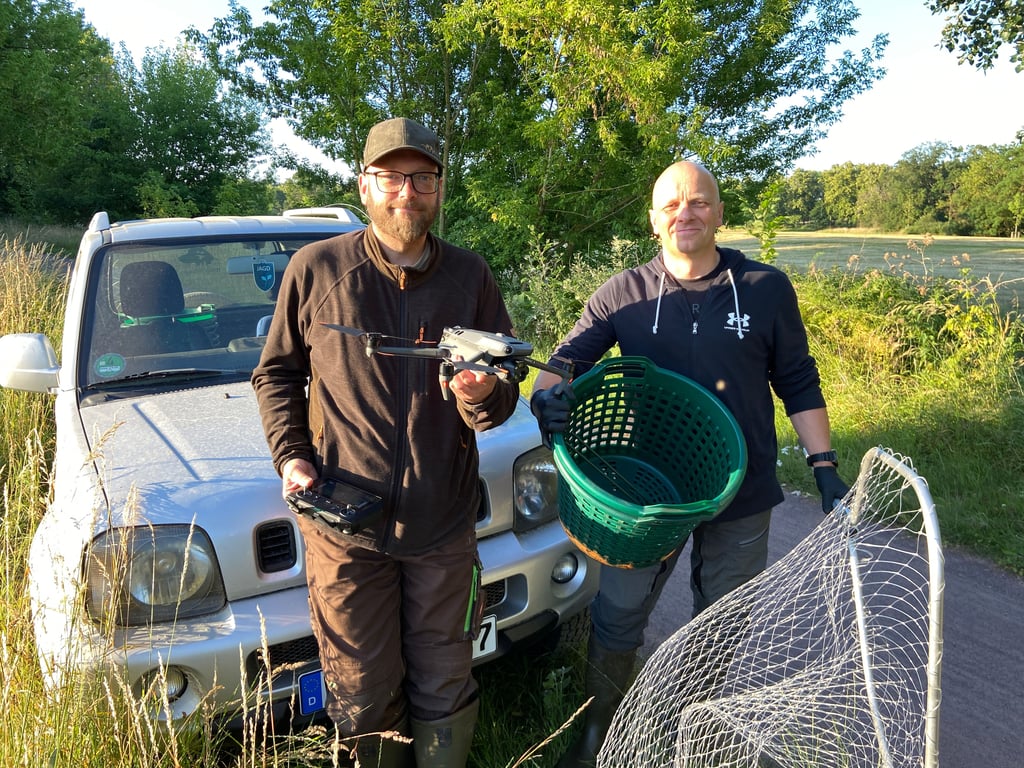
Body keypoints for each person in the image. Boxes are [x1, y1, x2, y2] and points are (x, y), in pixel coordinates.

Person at [530, 160, 850, 768]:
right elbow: (563, 362)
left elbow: (798, 381)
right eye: (671, 203)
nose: (686, 212)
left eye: (699, 201)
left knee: (721, 628)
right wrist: (547, 397)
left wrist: (825, 466)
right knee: (618, 612)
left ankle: (689, 734)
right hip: (649, 492)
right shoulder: (623, 293)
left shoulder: (764, 288)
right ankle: (601, 728)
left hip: (742, 487)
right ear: (653, 220)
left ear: (720, 213)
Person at [252, 117, 519, 767]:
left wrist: (482, 394)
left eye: (423, 177)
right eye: (392, 177)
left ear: (438, 188)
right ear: (365, 185)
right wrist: (291, 456)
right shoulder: (317, 270)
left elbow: (504, 391)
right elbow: (277, 374)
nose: (408, 191)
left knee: (445, 683)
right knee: (363, 694)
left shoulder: (471, 277)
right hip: (346, 533)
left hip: (442, 529)